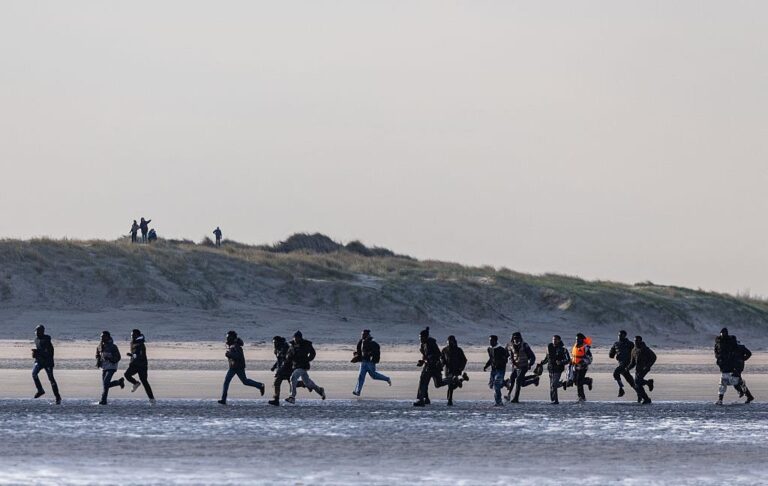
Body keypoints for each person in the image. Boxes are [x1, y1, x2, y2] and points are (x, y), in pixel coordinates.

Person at [218, 331, 265, 405]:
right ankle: (223, 399)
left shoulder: (236, 346)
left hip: (238, 367)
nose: (227, 339)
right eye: (227, 337)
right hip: (233, 367)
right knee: (229, 381)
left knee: (244, 381)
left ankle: (260, 385)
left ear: (232, 337)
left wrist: (229, 354)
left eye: (228, 337)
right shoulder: (232, 345)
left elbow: (238, 356)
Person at [286, 331, 325, 403]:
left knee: (293, 378)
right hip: (295, 366)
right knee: (307, 383)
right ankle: (319, 390)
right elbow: (289, 355)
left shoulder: (306, 344)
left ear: (300, 338)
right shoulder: (292, 345)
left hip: (303, 365)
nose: (296, 339)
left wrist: (308, 359)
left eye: (297, 338)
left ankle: (292, 397)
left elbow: (313, 353)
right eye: (295, 338)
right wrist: (288, 358)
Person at [352, 329, 391, 397]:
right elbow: (359, 351)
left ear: (367, 335)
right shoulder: (361, 341)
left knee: (374, 376)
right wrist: (356, 355)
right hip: (363, 362)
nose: (362, 335)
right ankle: (358, 391)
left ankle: (387, 379)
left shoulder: (372, 343)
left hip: (370, 363)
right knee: (361, 377)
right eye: (362, 334)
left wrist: (371, 355)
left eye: (363, 334)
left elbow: (375, 352)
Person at [413, 327, 446, 407]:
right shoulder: (423, 344)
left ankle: (451, 379)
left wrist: (429, 360)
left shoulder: (431, 343)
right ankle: (424, 399)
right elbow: (425, 355)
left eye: (421, 337)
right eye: (419, 337)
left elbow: (438, 354)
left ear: (425, 337)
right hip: (428, 365)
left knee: (438, 383)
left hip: (434, 366)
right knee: (423, 381)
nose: (420, 339)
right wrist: (422, 361)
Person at [504, 332, 539, 403]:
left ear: (520, 338)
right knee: (515, 380)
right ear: (512, 339)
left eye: (518, 338)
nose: (516, 340)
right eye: (514, 338)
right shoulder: (509, 345)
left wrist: (530, 364)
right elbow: (505, 355)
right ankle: (534, 379)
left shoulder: (525, 345)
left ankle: (516, 398)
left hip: (524, 366)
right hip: (515, 366)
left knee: (519, 380)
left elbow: (532, 357)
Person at [31, 325, 61, 404]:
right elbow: (39, 350)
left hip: (48, 362)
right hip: (39, 361)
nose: (36, 333)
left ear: (42, 332)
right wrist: (35, 354)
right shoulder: (36, 340)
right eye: (36, 331)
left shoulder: (47, 340)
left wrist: (38, 353)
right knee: (34, 374)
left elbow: (48, 352)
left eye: (38, 331)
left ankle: (58, 397)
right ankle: (40, 390)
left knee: (51, 379)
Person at [124, 329, 155, 404]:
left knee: (144, 382)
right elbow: (134, 354)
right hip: (134, 364)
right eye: (131, 335)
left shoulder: (141, 344)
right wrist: (132, 356)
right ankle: (136, 383)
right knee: (126, 375)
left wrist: (132, 355)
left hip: (142, 365)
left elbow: (140, 355)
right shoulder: (132, 342)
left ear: (138, 335)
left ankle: (152, 399)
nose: (132, 336)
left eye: (133, 335)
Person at [95, 331, 124, 405]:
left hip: (112, 367)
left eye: (103, 336)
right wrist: (98, 361)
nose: (102, 338)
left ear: (108, 337)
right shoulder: (99, 346)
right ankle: (119, 382)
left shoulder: (113, 346)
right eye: (101, 337)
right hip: (103, 367)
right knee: (105, 385)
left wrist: (110, 359)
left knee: (105, 384)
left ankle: (103, 400)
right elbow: (97, 355)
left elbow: (118, 357)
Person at [539, 335, 570, 404]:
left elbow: (568, 360)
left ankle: (556, 400)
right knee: (552, 385)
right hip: (550, 368)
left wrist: (561, 362)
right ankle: (554, 400)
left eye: (555, 339)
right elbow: (547, 358)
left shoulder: (563, 349)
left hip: (558, 369)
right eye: (553, 339)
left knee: (553, 384)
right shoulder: (549, 347)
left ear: (559, 340)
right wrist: (542, 363)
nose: (554, 341)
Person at [440, 335, 469, 406]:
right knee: (452, 384)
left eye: (451, 341)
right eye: (448, 341)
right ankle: (462, 379)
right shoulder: (444, 350)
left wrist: (460, 368)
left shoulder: (458, 350)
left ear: (454, 341)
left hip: (456, 370)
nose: (449, 343)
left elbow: (464, 360)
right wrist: (441, 365)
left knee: (451, 385)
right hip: (447, 370)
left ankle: (449, 400)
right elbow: (442, 359)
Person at [627, 336, 656, 405]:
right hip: (638, 368)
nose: (636, 342)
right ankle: (646, 399)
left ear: (640, 341)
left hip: (644, 368)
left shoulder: (645, 349)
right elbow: (632, 363)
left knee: (637, 381)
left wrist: (648, 366)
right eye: (635, 340)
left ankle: (648, 384)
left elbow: (654, 357)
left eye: (637, 340)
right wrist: (627, 368)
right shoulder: (633, 350)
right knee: (637, 385)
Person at [484, 335, 509, 406]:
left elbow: (507, 356)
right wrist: (486, 365)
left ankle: (498, 402)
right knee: (491, 385)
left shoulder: (501, 349)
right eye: (489, 340)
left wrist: (502, 361)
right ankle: (505, 383)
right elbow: (491, 359)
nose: (490, 342)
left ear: (496, 341)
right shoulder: (489, 349)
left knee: (496, 385)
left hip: (500, 370)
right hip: (493, 370)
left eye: (492, 340)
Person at [609, 330, 635, 398]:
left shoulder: (630, 344)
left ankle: (621, 389)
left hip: (627, 363)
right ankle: (640, 394)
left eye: (621, 335)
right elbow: (611, 355)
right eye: (619, 335)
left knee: (616, 373)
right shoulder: (616, 344)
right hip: (621, 363)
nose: (619, 336)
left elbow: (635, 353)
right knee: (630, 380)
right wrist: (612, 353)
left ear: (625, 336)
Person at [268, 336, 292, 406]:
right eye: (273, 343)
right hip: (281, 369)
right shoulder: (277, 349)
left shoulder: (285, 348)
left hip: (288, 368)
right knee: (276, 383)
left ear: (279, 342)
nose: (274, 344)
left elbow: (286, 360)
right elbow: (279, 360)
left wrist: (281, 368)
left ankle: (308, 385)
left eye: (275, 342)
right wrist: (274, 366)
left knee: (293, 383)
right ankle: (276, 399)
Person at [570, 333, 593, 402]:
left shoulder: (585, 348)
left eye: (578, 339)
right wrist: (571, 361)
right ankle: (588, 381)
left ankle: (581, 397)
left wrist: (583, 363)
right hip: (575, 366)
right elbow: (572, 355)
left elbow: (590, 359)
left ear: (582, 340)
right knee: (575, 381)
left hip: (583, 367)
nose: (577, 340)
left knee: (579, 382)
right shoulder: (575, 347)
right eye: (576, 339)